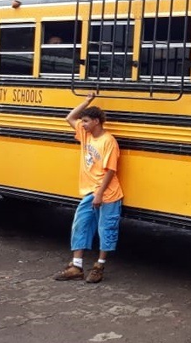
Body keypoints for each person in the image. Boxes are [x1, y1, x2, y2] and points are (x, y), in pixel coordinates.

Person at [54, 93, 123, 284]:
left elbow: (110, 170)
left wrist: (99, 193)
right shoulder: (86, 135)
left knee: (105, 229)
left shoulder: (108, 141)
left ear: (96, 121)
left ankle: (99, 267)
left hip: (107, 193)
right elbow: (69, 118)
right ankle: (76, 266)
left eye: (85, 121)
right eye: (82, 121)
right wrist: (87, 101)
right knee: (81, 225)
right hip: (89, 191)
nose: (82, 124)